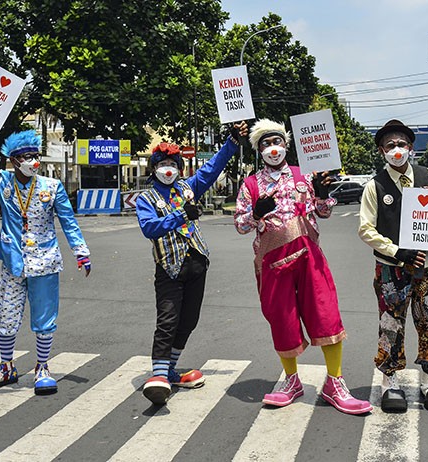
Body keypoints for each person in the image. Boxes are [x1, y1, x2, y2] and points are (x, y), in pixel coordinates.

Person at [234, 119, 372, 415]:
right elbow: (240, 225)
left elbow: (323, 213)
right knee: (282, 322)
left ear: (286, 145)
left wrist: (323, 195)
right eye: (266, 144)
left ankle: (335, 382)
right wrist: (256, 214)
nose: (273, 149)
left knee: (325, 313)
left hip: (309, 256)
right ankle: (292, 381)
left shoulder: (304, 175)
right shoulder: (250, 185)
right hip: (272, 262)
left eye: (277, 142)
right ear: (259, 150)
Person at [0, 124, 91, 395]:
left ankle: (42, 367)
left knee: (45, 317)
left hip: (45, 261)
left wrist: (81, 251)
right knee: (6, 315)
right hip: (13, 262)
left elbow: (68, 222)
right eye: (26, 156)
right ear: (13, 161)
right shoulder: (2, 182)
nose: (33, 161)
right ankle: (6, 366)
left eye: (36, 155)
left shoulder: (51, 186)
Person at [137, 122, 246, 406]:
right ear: (154, 168)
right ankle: (158, 375)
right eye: (163, 163)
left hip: (196, 264)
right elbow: (149, 228)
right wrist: (181, 216)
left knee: (189, 320)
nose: (168, 168)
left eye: (173, 163)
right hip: (169, 268)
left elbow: (211, 170)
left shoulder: (188, 187)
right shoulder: (145, 198)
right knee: (168, 319)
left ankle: (169, 370)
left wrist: (231, 143)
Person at [357, 119, 428, 413]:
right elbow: (366, 229)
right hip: (392, 269)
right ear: (381, 151)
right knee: (391, 326)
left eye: (401, 145)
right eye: (390, 146)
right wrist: (399, 251)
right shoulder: (375, 186)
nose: (397, 150)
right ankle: (390, 382)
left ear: (411, 148)